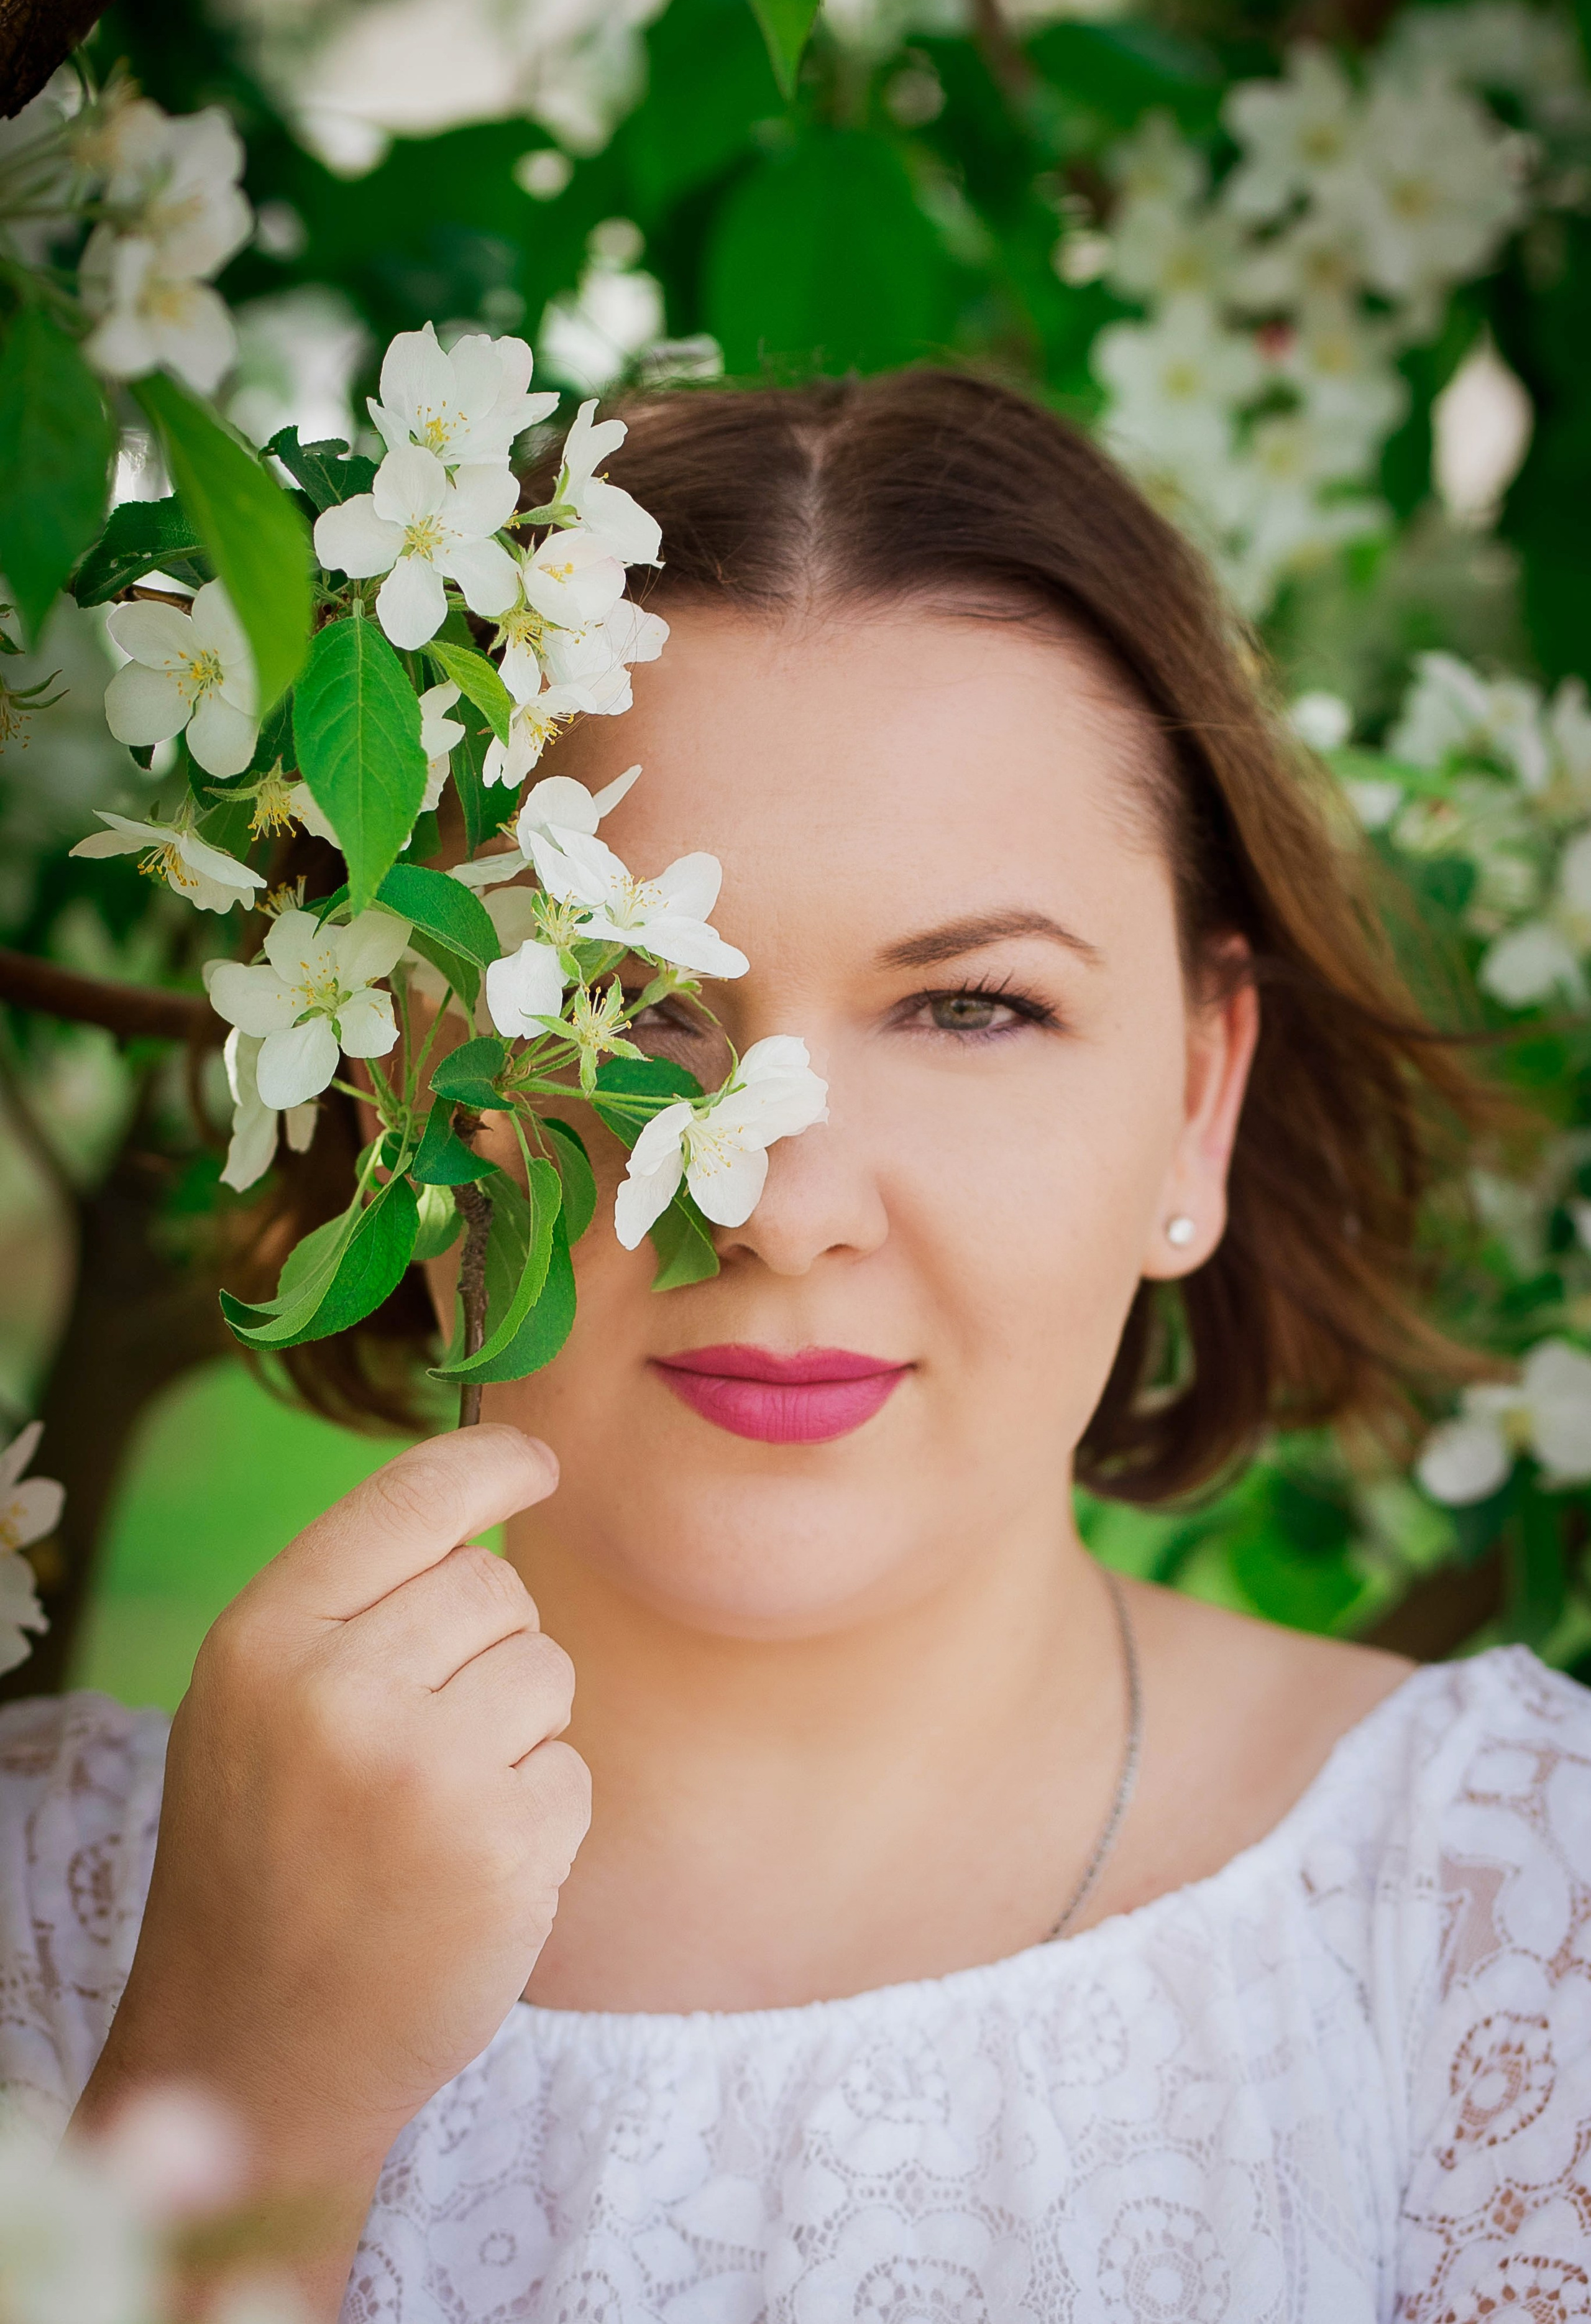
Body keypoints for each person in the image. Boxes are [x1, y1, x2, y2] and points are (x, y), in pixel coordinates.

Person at [4, 370, 1589, 2323]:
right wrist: (231, 2106)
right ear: (406, 1073)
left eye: (976, 1009)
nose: (777, 1198)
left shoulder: (1518, 1938)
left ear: (1199, 1100)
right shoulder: (36, 1907)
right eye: (630, 1005)